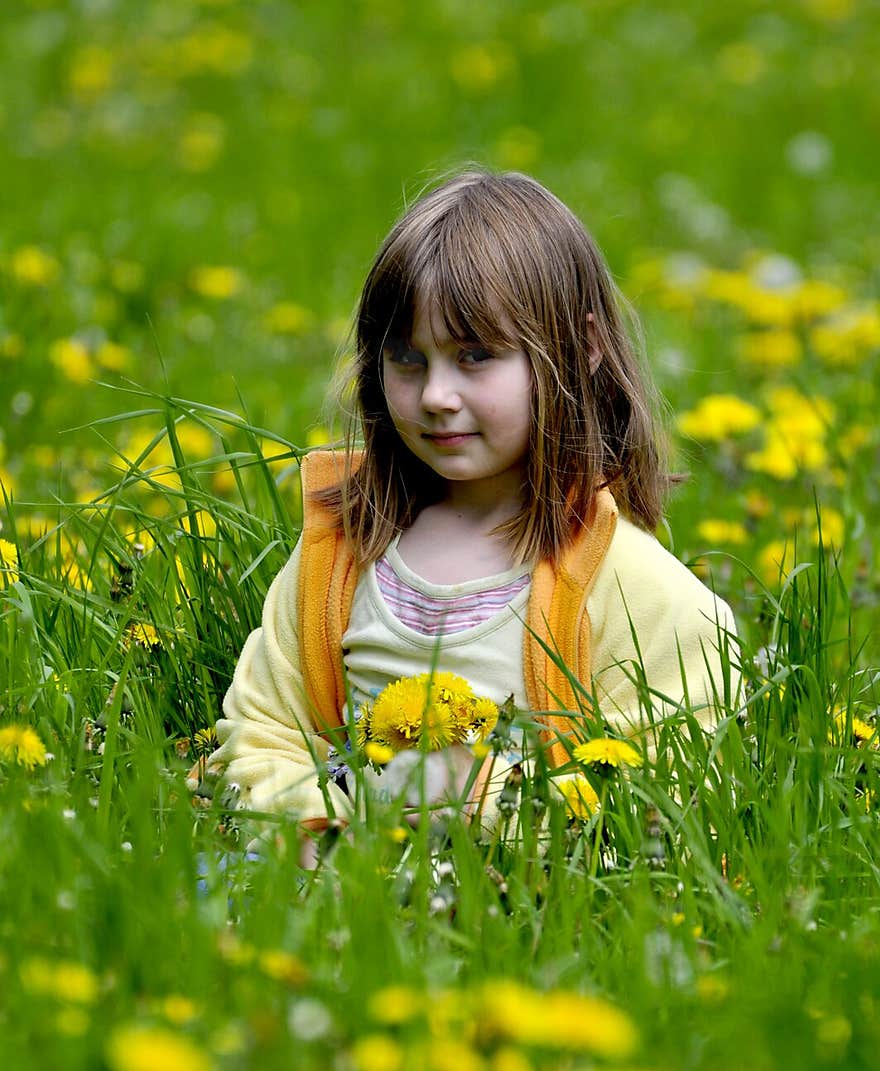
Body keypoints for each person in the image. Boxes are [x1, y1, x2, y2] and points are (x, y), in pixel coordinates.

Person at [207, 168, 739, 865]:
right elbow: (261, 731)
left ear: (580, 350)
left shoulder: (634, 589)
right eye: (407, 359)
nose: (436, 395)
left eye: (474, 357)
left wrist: (475, 807)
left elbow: (662, 789)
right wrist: (326, 836)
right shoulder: (343, 550)